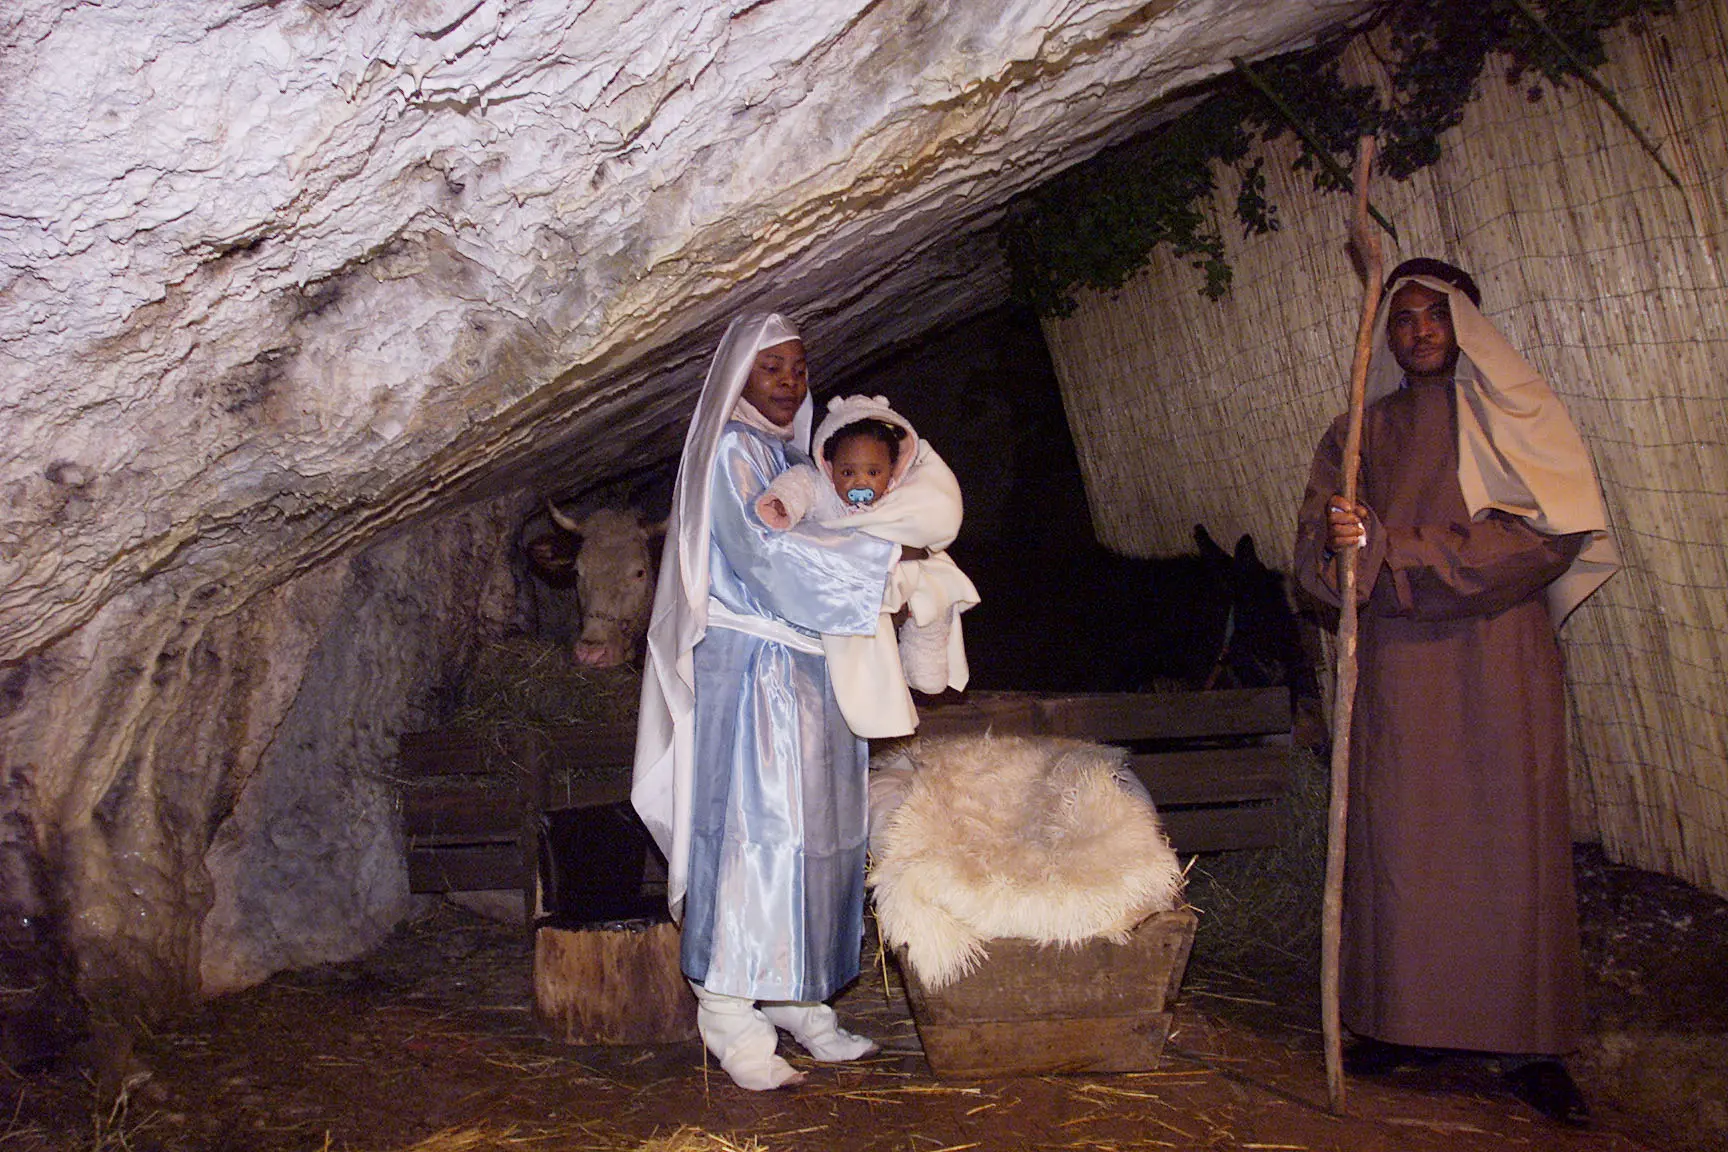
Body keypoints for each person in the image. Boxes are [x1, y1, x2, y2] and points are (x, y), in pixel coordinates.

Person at [1292, 258, 1619, 1125]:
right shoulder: (1355, 434)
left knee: (1510, 844)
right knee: (1404, 842)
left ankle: (1528, 1046)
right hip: (1399, 673)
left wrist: (1396, 549)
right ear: (1385, 338)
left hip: (1497, 666)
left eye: (1435, 316)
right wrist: (1342, 547)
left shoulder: (1517, 421)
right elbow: (1316, 567)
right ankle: (1406, 1026)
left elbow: (1542, 541)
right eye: (1402, 321)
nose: (1419, 332)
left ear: (1466, 324)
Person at [632, 312, 910, 1091]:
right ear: (739, 379)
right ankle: (729, 1016)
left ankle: (796, 996)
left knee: (818, 836)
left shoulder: (795, 458)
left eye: (797, 367)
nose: (789, 382)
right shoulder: (730, 452)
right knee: (754, 835)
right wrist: (884, 553)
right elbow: (765, 555)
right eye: (770, 369)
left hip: (807, 669)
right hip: (753, 671)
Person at [756, 394, 980, 737]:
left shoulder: (896, 493)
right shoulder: (824, 489)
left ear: (893, 471)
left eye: (873, 472)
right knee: (865, 653)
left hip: (900, 577)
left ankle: (926, 660)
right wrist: (783, 504)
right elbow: (800, 485)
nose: (860, 482)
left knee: (938, 590)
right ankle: (878, 699)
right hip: (852, 588)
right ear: (829, 467)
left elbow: (930, 513)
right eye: (848, 472)